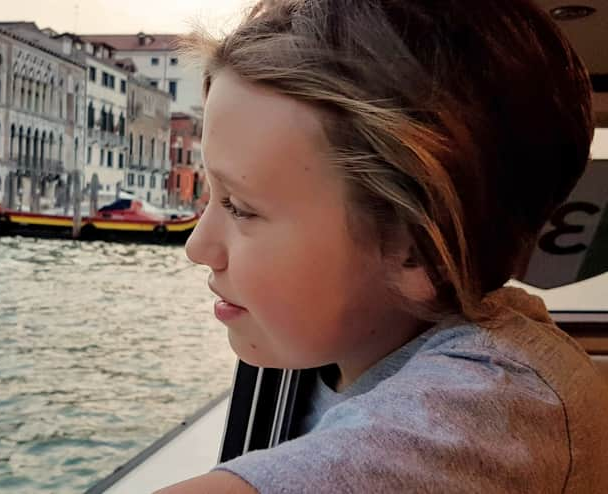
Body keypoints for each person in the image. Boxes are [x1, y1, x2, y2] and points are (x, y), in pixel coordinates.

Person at [158, 0, 608, 492]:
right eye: (211, 196)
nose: (198, 247)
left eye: (240, 207)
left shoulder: (501, 405)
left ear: (416, 250)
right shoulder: (348, 351)